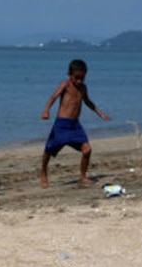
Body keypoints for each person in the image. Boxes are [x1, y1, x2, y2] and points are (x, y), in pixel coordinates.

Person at [40, 59, 111, 188]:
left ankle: (82, 176)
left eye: (82, 78)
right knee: (49, 150)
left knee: (87, 150)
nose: (79, 81)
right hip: (61, 124)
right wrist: (46, 111)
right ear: (69, 74)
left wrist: (101, 114)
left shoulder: (83, 88)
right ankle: (43, 173)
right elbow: (53, 97)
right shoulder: (65, 85)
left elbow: (88, 102)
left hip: (75, 125)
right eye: (76, 78)